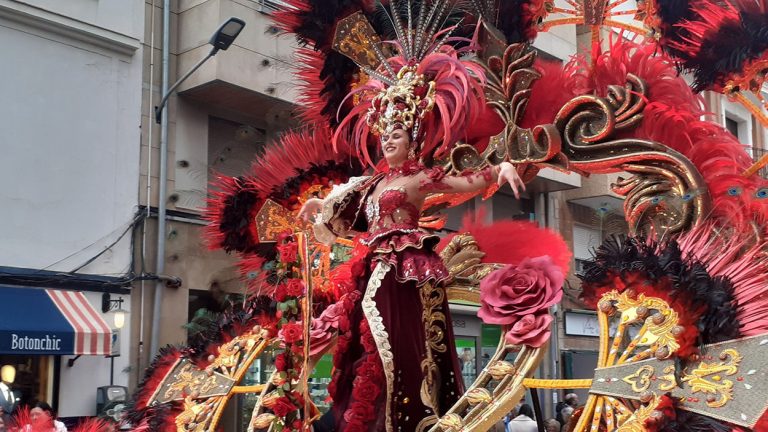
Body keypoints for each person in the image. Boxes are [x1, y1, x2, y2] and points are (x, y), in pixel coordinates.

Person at [299, 50, 525, 432]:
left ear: (413, 138)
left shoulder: (419, 179)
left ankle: (404, 417)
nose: (388, 140)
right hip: (373, 264)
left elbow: (463, 182)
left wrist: (499, 169)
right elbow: (354, 217)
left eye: (397, 134)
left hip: (403, 267)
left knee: (397, 340)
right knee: (363, 337)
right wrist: (322, 203)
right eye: (384, 135)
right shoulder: (373, 183)